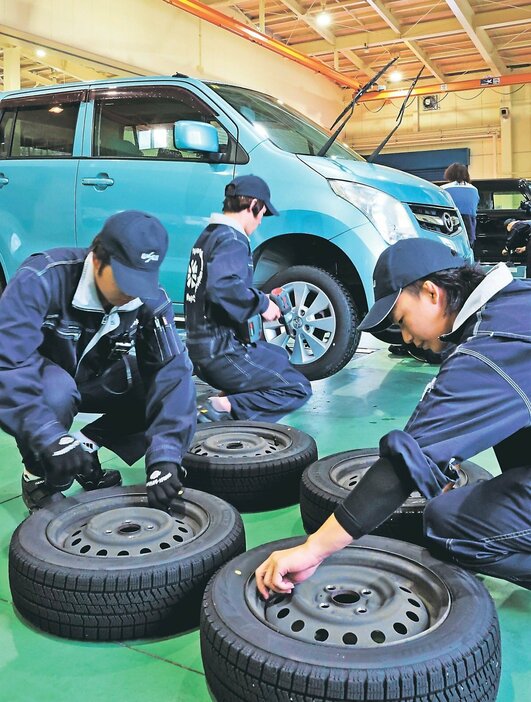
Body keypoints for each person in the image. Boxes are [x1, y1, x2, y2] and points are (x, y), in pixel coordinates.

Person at [255, 238, 531, 597]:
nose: (406, 337)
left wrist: (313, 549)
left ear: (432, 293)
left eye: (401, 320)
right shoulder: (516, 303)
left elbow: (405, 462)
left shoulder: (490, 349)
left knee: (447, 523)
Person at [0, 210, 196, 512]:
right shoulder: (42, 278)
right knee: (57, 391)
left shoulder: (148, 300)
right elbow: (8, 361)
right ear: (96, 258)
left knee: (155, 388)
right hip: (44, 380)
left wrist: (165, 458)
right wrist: (49, 436)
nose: (131, 293)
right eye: (124, 280)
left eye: (141, 282)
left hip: (95, 376)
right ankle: (38, 479)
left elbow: (172, 377)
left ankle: (85, 447)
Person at [184, 175, 312, 423]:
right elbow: (222, 286)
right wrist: (262, 305)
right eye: (262, 212)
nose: (261, 219)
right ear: (253, 205)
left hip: (202, 349)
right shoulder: (233, 239)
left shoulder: (209, 236)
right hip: (223, 352)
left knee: (278, 357)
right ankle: (224, 406)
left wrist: (262, 298)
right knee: (297, 387)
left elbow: (219, 284)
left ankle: (230, 397)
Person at [441, 163, 480, 247]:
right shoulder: (474, 189)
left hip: (450, 221)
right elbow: (474, 207)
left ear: (449, 174)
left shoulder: (444, 189)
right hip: (469, 223)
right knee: (468, 247)